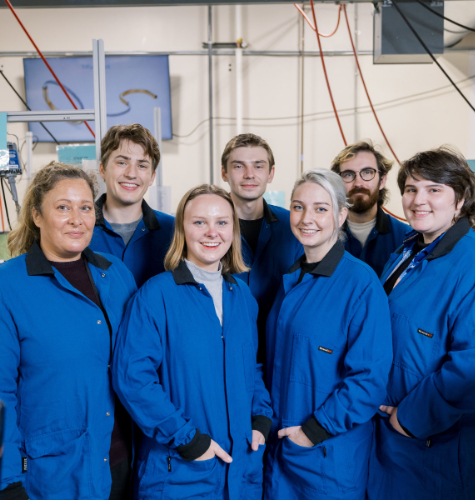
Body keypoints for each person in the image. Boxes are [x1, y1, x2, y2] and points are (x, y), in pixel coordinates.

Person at [112, 184, 273, 500]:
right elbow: (132, 379)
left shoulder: (241, 296)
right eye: (199, 222)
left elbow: (250, 368)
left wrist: (260, 419)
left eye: (222, 222)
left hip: (241, 472)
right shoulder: (155, 295)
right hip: (180, 472)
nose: (212, 232)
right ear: (182, 230)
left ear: (233, 230)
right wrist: (188, 440)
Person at [367, 147, 475, 500]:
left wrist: (408, 420)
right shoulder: (407, 252)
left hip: (438, 450)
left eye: (434, 189)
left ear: (461, 200)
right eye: (411, 189)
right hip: (394, 448)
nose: (418, 199)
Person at [0, 162, 137, 500]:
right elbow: (1, 393)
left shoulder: (115, 274)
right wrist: (7, 481)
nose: (77, 218)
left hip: (121, 461)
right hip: (54, 472)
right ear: (36, 215)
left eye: (85, 207)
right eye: (63, 207)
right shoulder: (9, 286)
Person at [264, 169, 392, 500]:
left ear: (341, 214)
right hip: (280, 450)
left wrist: (312, 432)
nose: (307, 218)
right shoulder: (292, 279)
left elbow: (369, 379)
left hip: (327, 455)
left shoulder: (360, 284)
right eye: (298, 206)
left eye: (321, 208)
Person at [221, 133, 302, 364]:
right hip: (224, 353)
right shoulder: (206, 227)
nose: (249, 174)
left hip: (281, 354)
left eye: (258, 166)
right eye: (239, 166)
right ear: (224, 173)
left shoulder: (294, 226)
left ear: (271, 173)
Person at [90, 123, 175, 287]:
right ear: (102, 169)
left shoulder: (174, 231)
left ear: (152, 177)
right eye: (122, 162)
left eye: (142, 165)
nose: (131, 174)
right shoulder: (78, 228)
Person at [331, 140, 409, 277]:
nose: (358, 183)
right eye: (348, 174)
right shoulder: (323, 236)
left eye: (367, 172)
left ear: (382, 181)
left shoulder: (406, 239)